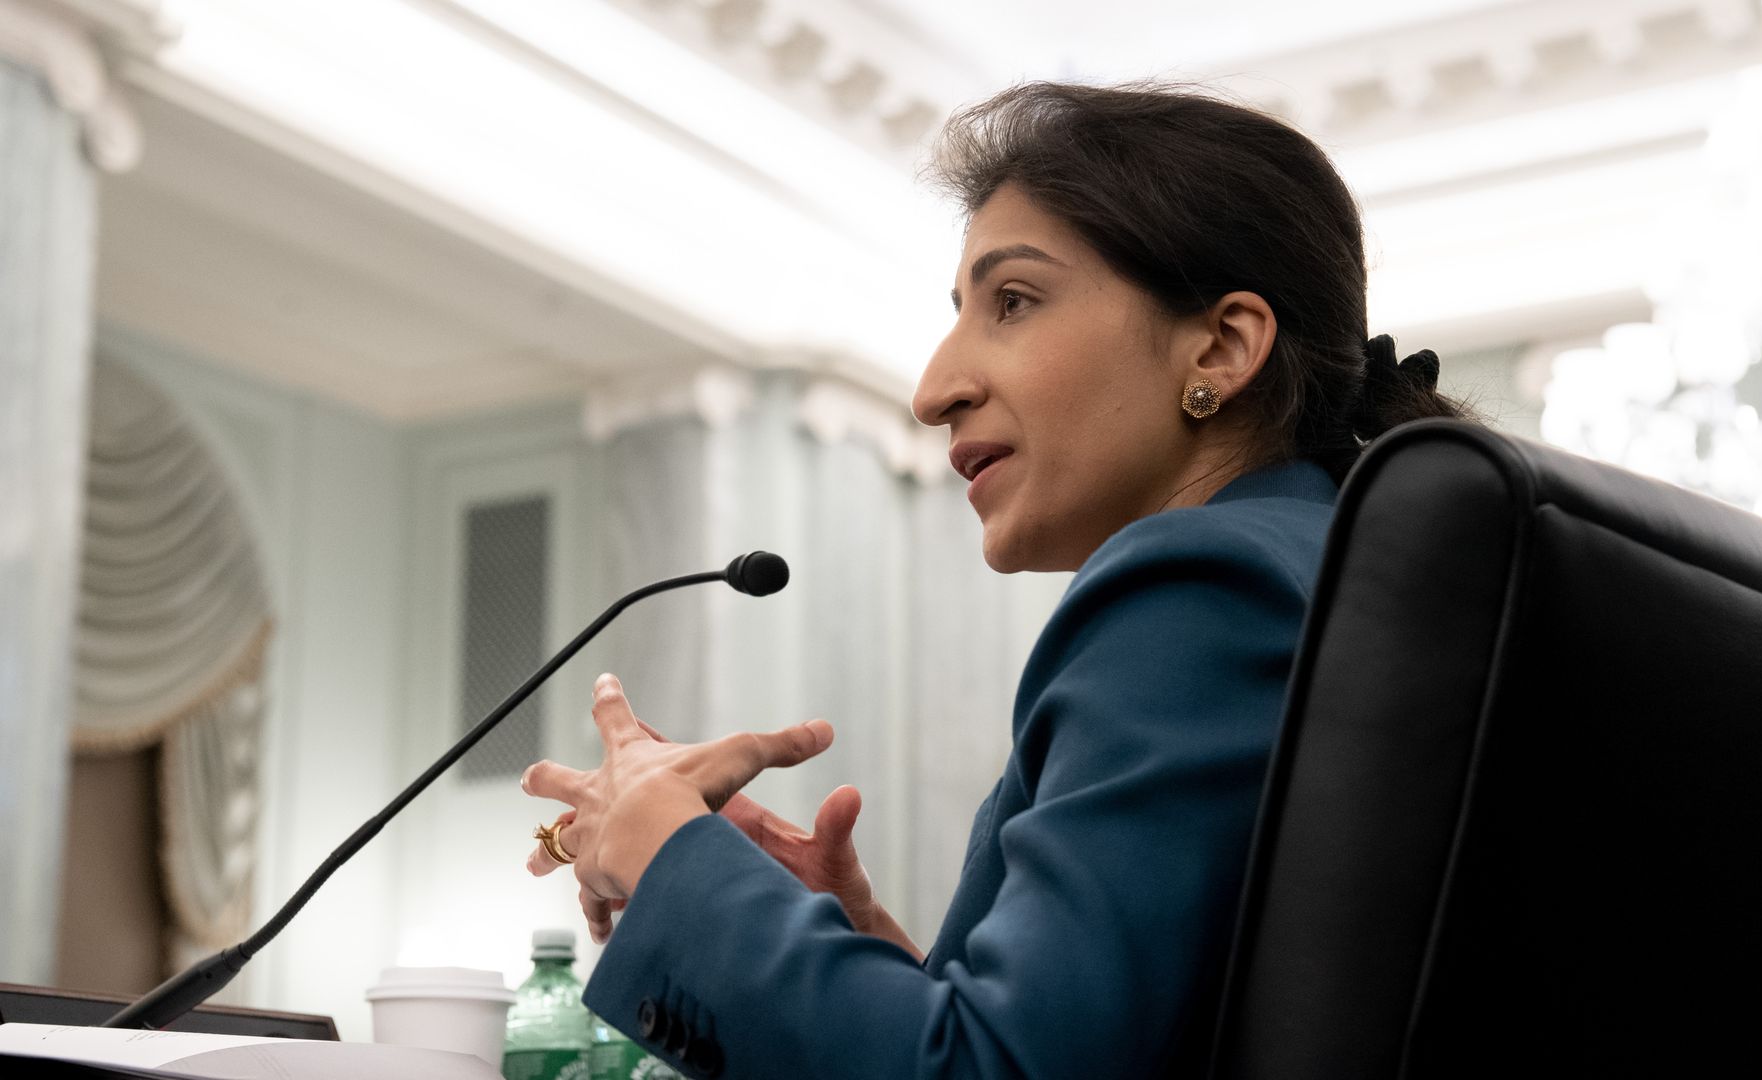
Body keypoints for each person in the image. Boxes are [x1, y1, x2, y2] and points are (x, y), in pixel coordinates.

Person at [519, 81, 1476, 1078]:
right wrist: (848, 946)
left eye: (1013, 300)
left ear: (1223, 347)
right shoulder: (1322, 567)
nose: (935, 390)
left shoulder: (1201, 585)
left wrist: (669, 854)